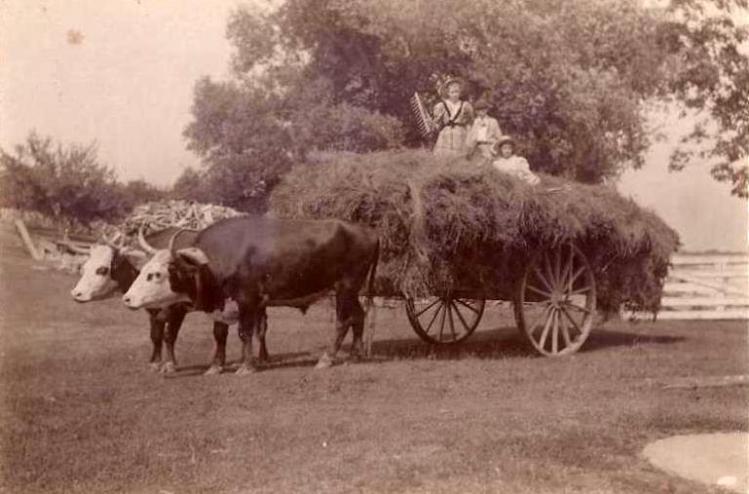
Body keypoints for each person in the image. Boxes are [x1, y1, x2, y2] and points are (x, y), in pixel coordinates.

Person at [432, 78, 474, 157]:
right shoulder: (441, 106)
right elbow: (437, 123)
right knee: (444, 157)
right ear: (448, 93)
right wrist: (437, 121)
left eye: (457, 92)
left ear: (460, 92)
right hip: (446, 134)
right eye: (452, 92)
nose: (455, 94)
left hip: (460, 133)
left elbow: (470, 121)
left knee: (460, 157)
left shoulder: (465, 105)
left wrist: (470, 134)